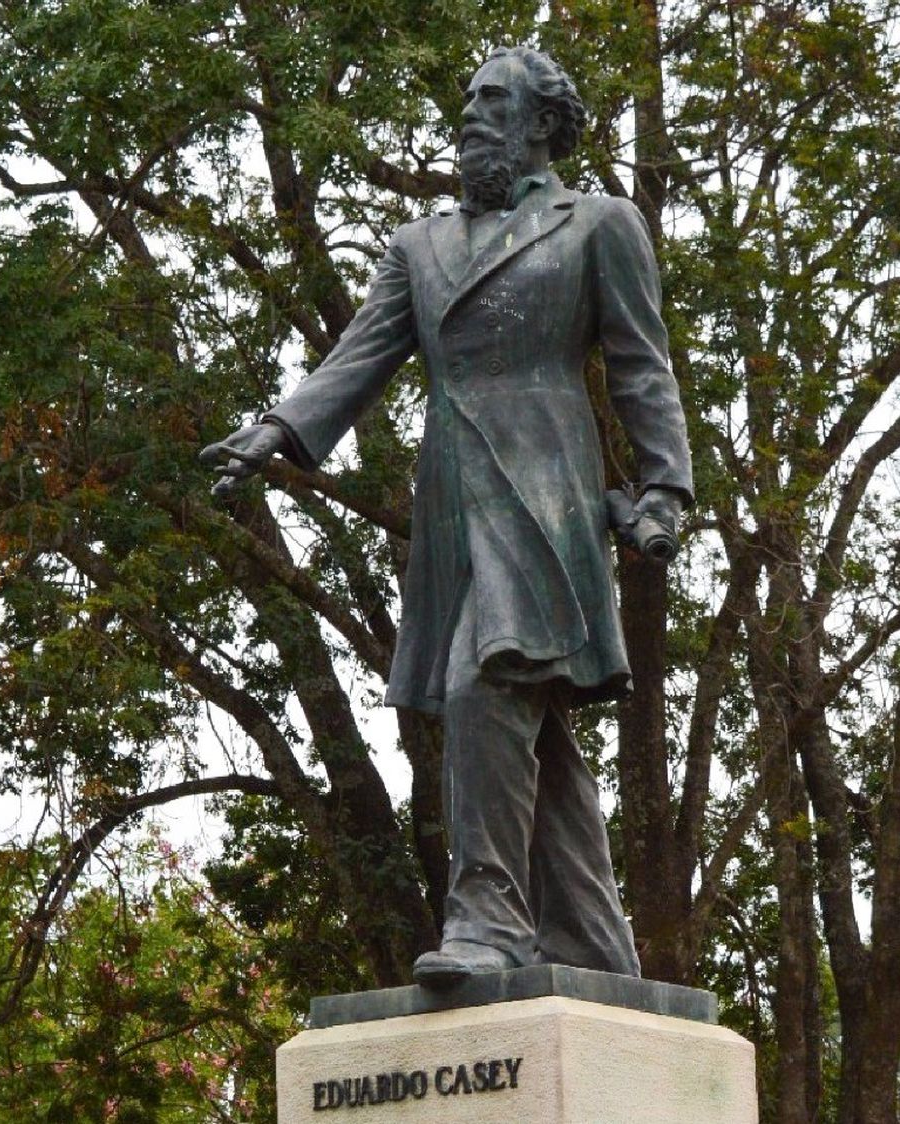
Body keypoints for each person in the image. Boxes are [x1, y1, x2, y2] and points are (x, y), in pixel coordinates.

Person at [200, 45, 693, 987]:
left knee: (486, 683)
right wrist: (278, 430)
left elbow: (641, 364)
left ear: (544, 124)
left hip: (545, 488)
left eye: (493, 101)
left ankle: (488, 923)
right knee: (522, 720)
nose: (469, 116)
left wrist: (664, 492)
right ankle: (592, 941)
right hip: (451, 499)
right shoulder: (417, 247)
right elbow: (358, 358)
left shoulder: (599, 224)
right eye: (466, 101)